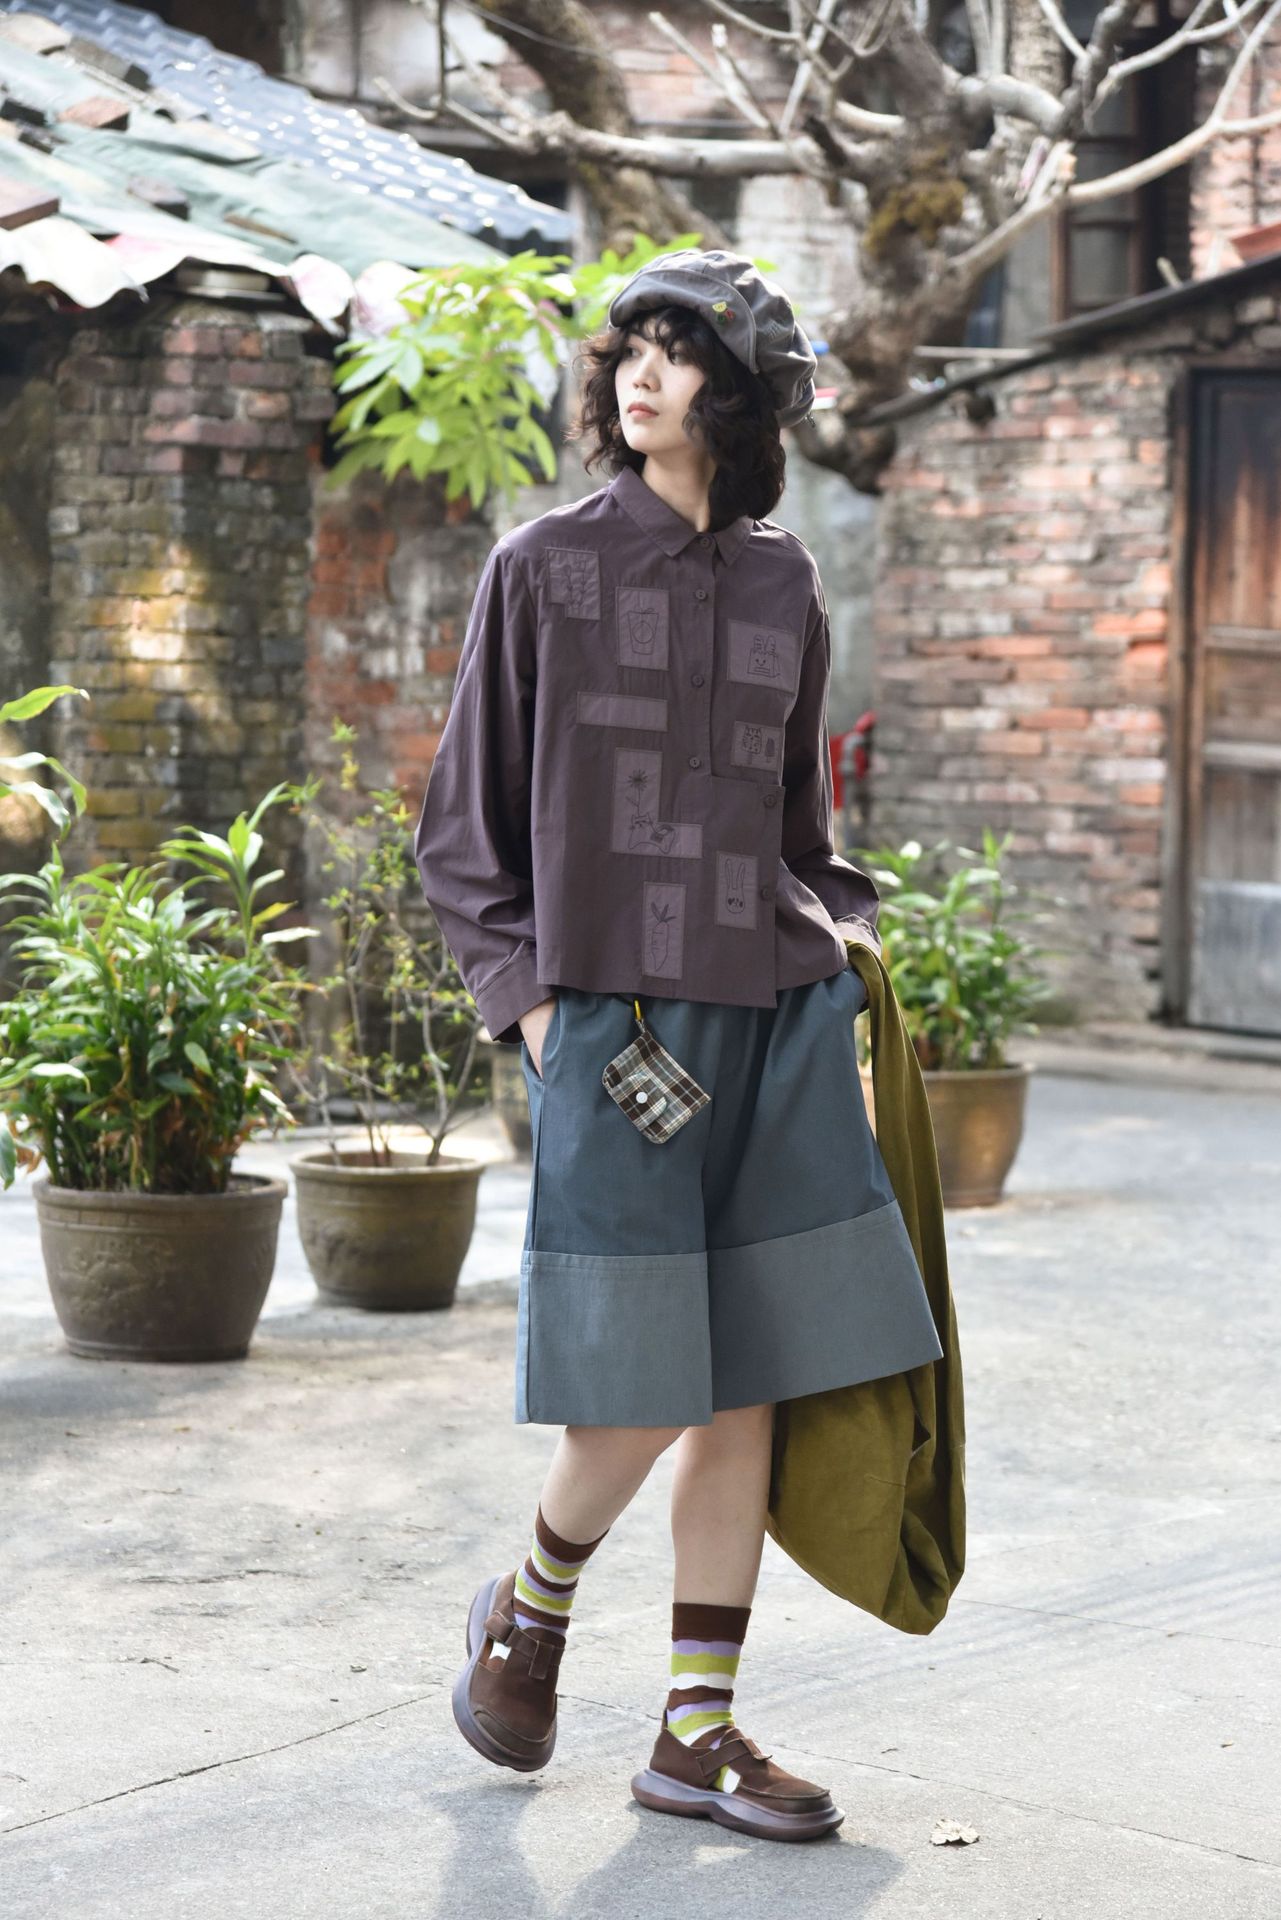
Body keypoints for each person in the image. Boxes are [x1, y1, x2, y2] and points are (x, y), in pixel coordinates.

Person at [413, 247, 944, 1843]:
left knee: (750, 1384)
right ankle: (530, 1607)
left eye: (679, 349)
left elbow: (799, 827)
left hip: (776, 1018)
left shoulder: (786, 582)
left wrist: (838, 958)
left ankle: (693, 1734)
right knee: (638, 1381)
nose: (640, 373)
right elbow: (462, 832)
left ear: (742, 391)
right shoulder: (542, 567)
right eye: (629, 348)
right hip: (613, 1025)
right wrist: (536, 1010)